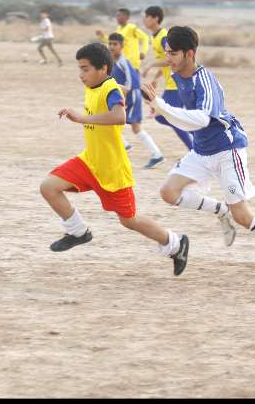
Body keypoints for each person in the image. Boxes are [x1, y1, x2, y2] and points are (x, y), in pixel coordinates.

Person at [141, 26, 255, 279]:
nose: (168, 59)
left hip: (227, 150)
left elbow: (202, 120)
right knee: (168, 192)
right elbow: (187, 121)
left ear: (189, 53)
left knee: (243, 215)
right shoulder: (179, 78)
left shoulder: (203, 80)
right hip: (202, 150)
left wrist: (160, 105)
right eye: (167, 53)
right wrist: (158, 105)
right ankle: (221, 211)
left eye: (173, 54)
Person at [39, 42, 190, 276]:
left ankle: (175, 243)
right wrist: (136, 88)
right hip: (90, 161)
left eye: (85, 69)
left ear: (103, 68)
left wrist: (81, 118)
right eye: (79, 69)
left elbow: (120, 117)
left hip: (112, 169)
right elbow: (118, 87)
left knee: (129, 220)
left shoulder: (109, 89)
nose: (81, 75)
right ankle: (78, 231)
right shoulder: (98, 84)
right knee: (48, 187)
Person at [107, 33, 164, 169]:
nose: (112, 47)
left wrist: (111, 84)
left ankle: (157, 155)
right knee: (110, 123)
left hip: (132, 97)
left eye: (115, 44)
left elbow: (132, 86)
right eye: (110, 44)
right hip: (123, 98)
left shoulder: (124, 62)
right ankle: (125, 146)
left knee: (136, 128)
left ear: (122, 46)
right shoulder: (111, 62)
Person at [140, 6, 193, 151]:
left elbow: (172, 59)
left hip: (176, 84)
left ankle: (195, 148)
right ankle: (196, 143)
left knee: (165, 116)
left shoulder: (163, 37)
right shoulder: (155, 36)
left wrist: (150, 65)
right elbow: (164, 60)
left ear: (155, 18)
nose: (144, 19)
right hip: (171, 84)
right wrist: (157, 78)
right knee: (166, 117)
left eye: (147, 16)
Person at [95, 8, 149, 72]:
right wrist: (102, 36)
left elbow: (145, 37)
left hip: (132, 64)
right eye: (117, 16)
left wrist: (143, 52)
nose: (117, 18)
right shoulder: (118, 29)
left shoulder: (131, 28)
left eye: (119, 15)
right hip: (121, 63)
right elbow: (113, 42)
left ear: (127, 17)